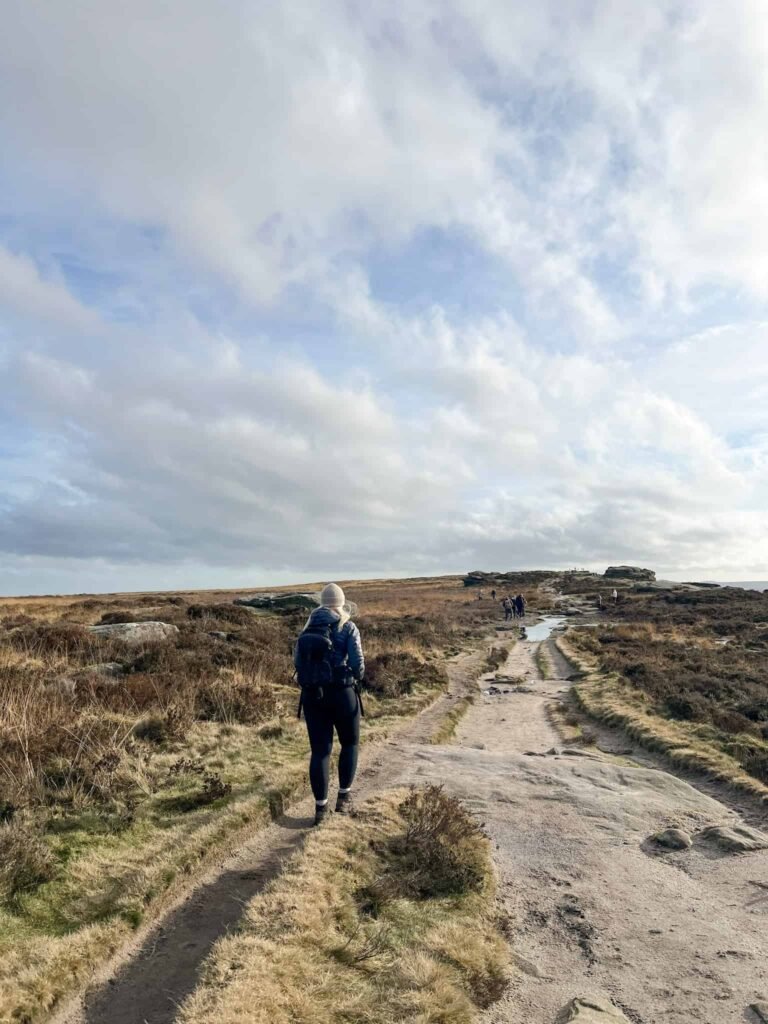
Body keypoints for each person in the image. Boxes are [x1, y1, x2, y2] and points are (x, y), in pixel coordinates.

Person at [294, 583, 364, 826]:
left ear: (321, 603)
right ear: (342, 603)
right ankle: (343, 798)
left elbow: (297, 664)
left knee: (320, 751)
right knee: (350, 743)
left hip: (314, 696)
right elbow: (358, 663)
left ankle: (320, 808)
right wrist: (356, 676)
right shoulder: (348, 626)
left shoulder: (308, 629)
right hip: (343, 693)